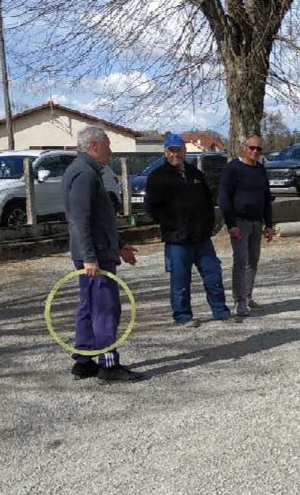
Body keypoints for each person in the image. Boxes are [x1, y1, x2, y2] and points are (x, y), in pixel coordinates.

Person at [62, 126, 141, 383]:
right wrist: (89, 257)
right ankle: (108, 365)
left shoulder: (88, 172)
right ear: (94, 147)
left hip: (98, 252)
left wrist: (119, 245)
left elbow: (100, 220)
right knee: (105, 308)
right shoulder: (84, 174)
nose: (111, 150)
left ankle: (84, 361)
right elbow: (79, 220)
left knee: (89, 305)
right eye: (108, 145)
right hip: (94, 256)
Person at [145, 134, 230, 327]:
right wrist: (173, 225)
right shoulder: (157, 177)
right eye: (172, 150)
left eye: (179, 150)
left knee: (213, 275)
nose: (176, 154)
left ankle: (220, 310)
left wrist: (210, 224)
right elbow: (153, 209)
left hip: (201, 238)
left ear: (185, 151)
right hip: (177, 240)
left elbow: (208, 202)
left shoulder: (195, 174)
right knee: (180, 280)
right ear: (166, 152)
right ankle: (183, 316)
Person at [219, 134, 275, 317]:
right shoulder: (232, 168)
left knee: (253, 261)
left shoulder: (260, 169)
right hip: (240, 222)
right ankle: (239, 301)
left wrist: (269, 224)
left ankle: (248, 296)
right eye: (252, 148)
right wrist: (231, 224)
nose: (255, 152)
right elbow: (224, 198)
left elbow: (266, 198)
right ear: (244, 148)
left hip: (257, 222)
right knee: (240, 262)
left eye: (259, 149)